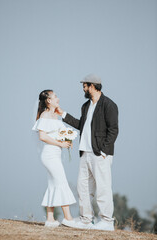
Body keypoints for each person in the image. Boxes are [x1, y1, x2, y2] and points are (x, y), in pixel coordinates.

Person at [57, 74, 119, 231]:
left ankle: (106, 221)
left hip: (100, 154)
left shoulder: (109, 105)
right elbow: (81, 125)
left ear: (93, 86)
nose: (83, 89)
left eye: (85, 86)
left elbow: (113, 130)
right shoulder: (85, 106)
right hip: (85, 153)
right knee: (82, 187)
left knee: (103, 188)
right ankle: (86, 219)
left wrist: (104, 151)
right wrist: (63, 114)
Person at [32, 90, 76, 228]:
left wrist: (66, 141)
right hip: (49, 155)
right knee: (62, 182)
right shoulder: (45, 115)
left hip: (55, 154)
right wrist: (60, 143)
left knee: (53, 184)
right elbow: (43, 136)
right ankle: (68, 218)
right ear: (49, 100)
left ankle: (50, 219)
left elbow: (55, 134)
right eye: (55, 96)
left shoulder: (54, 115)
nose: (58, 98)